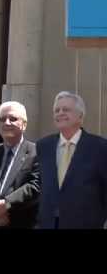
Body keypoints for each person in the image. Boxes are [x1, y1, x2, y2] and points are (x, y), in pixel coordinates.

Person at [37, 91, 107, 229]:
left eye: (66, 110)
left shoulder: (100, 147)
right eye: (57, 110)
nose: (60, 113)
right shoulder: (43, 146)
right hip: (49, 223)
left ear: (80, 116)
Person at [0, 101, 40, 229]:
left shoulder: (37, 152)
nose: (7, 123)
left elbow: (36, 185)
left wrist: (6, 205)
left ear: (24, 124)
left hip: (20, 222)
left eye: (13, 119)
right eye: (2, 119)